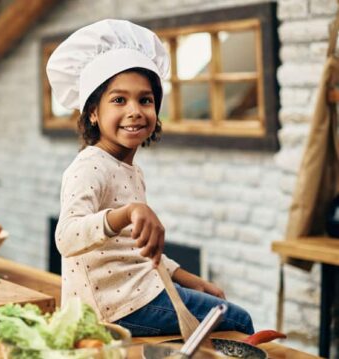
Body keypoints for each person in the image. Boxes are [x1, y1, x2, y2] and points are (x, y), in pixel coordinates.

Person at [47, 19, 254, 336]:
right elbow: (66, 237)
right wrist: (128, 213)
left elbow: (136, 252)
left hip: (137, 294)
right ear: (92, 112)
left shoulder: (132, 171)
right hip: (114, 307)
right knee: (238, 322)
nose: (135, 111)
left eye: (145, 100)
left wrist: (192, 279)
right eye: (119, 100)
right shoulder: (89, 166)